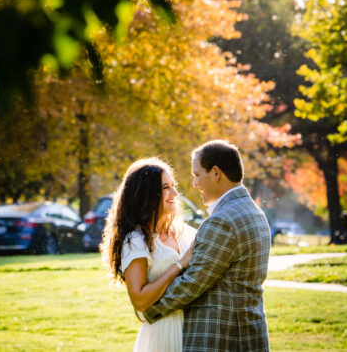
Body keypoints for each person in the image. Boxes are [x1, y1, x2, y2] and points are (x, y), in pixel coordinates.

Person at [141, 140, 272, 352]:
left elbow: (193, 282)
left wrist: (149, 309)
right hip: (250, 333)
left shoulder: (223, 221)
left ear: (216, 173)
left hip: (221, 337)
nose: (194, 184)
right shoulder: (255, 213)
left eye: (197, 175)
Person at [101, 157, 197, 352]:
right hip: (163, 334)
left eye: (173, 186)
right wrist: (179, 265)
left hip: (196, 330)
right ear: (146, 195)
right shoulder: (136, 241)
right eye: (166, 188)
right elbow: (140, 300)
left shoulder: (186, 232)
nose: (175, 193)